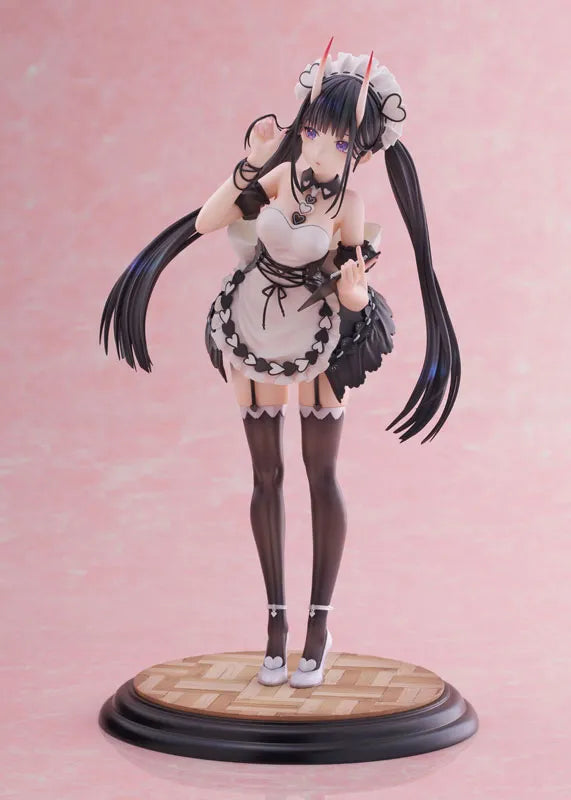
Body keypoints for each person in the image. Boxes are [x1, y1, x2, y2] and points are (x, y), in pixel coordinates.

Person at [100, 43, 461, 689]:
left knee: (320, 475)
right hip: (251, 327)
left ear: (363, 154)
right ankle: (275, 624)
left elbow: (353, 279)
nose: (320, 151)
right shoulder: (277, 176)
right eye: (314, 131)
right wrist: (251, 163)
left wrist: (355, 294)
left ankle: (318, 626)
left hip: (318, 333)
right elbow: (209, 220)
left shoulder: (348, 207)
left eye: (340, 143)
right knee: (265, 474)